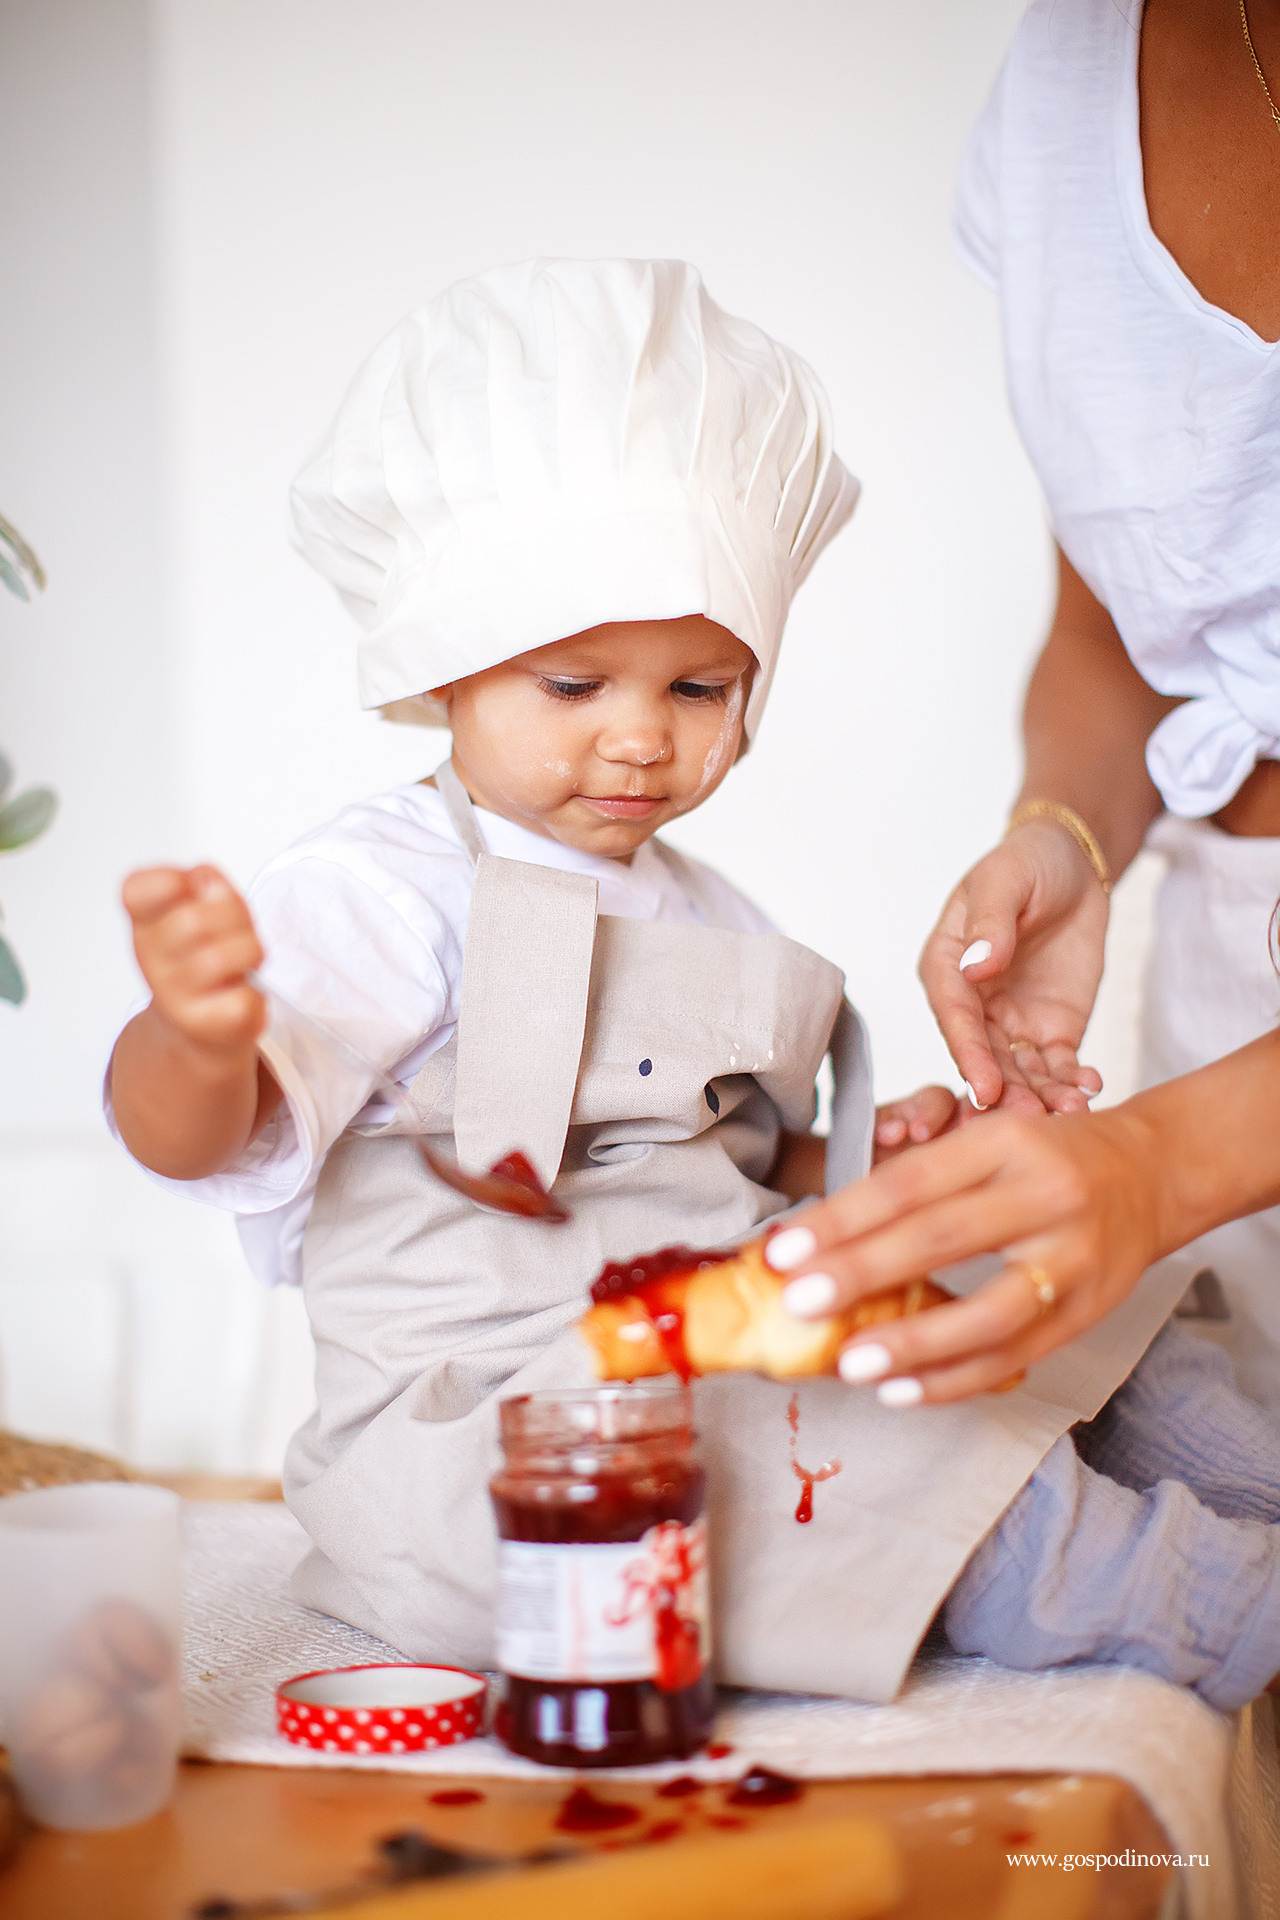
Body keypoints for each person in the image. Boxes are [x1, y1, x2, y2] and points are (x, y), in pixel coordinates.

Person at [107, 259, 1279, 1710]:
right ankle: (1207, 1599)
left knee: (1060, 1316)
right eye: (575, 686)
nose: (642, 742)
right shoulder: (383, 887)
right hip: (513, 1423)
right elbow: (193, 1139)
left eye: (697, 687)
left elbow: (724, 1167)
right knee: (915, 1479)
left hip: (709, 1326)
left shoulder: (707, 908)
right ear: (447, 673)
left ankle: (1244, 1467)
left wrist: (869, 1156)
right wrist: (197, 1037)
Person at [775, 0, 1280, 1413]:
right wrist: (1064, 831)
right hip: (1221, 1006)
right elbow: (1115, 629)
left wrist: (1162, 1161)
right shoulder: (1066, 71)